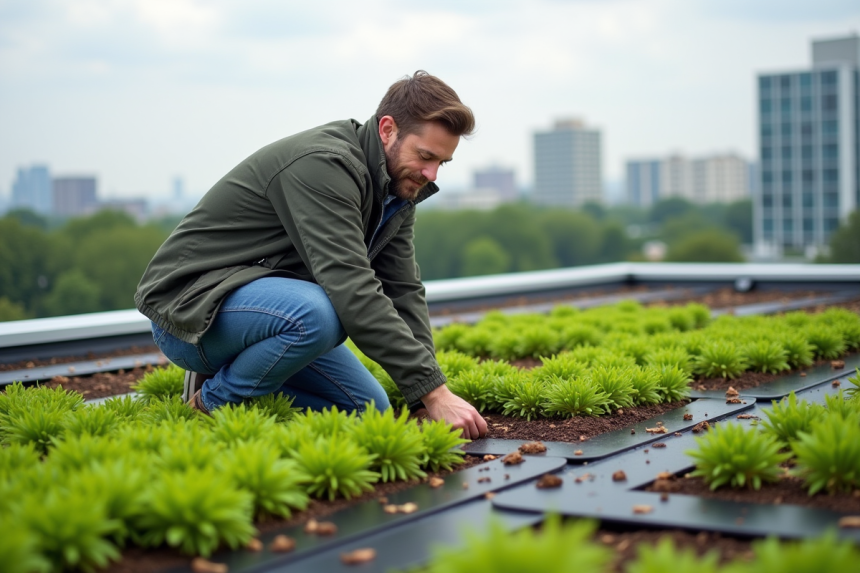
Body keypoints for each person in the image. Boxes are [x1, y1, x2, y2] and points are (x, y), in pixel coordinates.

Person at [135, 71, 488, 439]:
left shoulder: (396, 190)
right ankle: (213, 401)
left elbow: (402, 290)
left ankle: (241, 381)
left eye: (441, 164)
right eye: (425, 156)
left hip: (266, 313)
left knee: (369, 411)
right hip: (191, 314)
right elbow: (350, 286)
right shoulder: (324, 165)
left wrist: (422, 399)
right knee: (321, 312)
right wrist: (435, 392)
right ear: (387, 129)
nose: (430, 174)